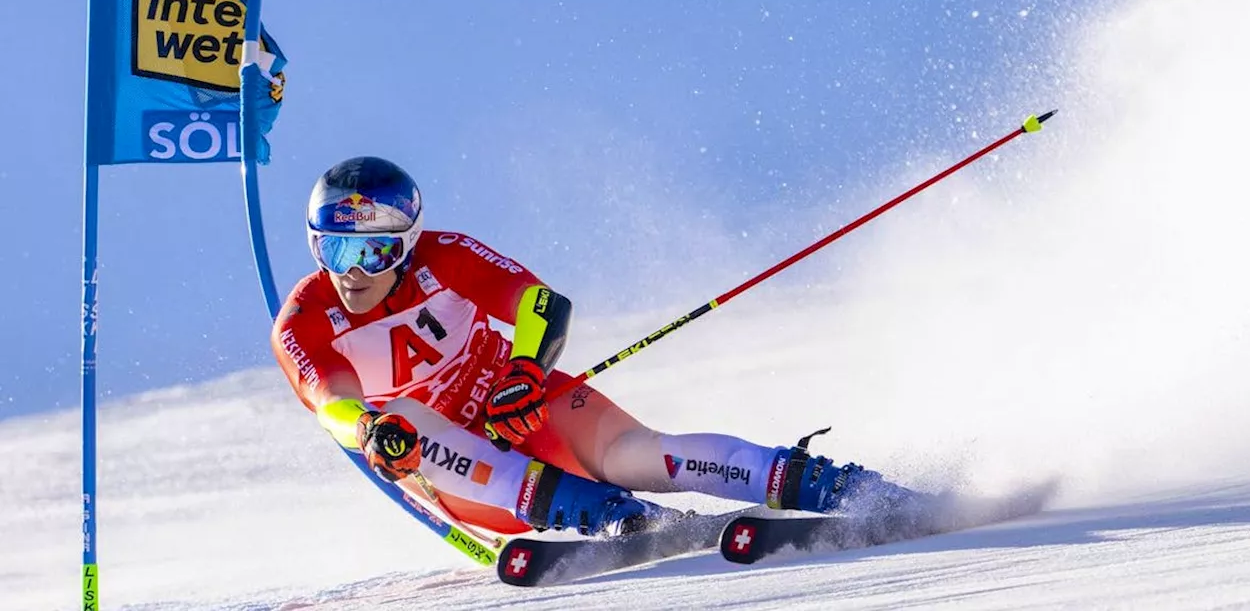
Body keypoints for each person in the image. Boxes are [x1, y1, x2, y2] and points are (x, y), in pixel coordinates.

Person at [272, 156, 920, 538]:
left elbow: (541, 304)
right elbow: (331, 401)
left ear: (408, 242)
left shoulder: (447, 256)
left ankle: (829, 485)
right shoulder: (305, 320)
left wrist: (525, 371)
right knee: (405, 419)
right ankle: (607, 516)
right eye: (335, 248)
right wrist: (373, 428)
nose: (353, 271)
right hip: (468, 478)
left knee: (639, 453)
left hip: (521, 410)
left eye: (374, 249)